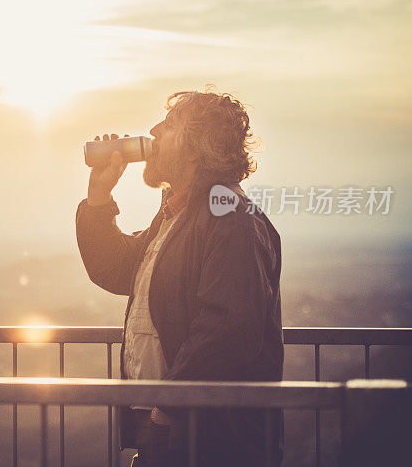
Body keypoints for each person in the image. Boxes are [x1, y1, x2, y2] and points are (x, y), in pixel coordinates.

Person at [75, 89, 284, 466]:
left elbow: (228, 328)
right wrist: (99, 199)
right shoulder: (177, 216)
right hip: (172, 421)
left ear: (195, 146)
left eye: (169, 125)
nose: (153, 130)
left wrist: (168, 408)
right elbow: (117, 269)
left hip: (208, 435)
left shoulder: (230, 217)